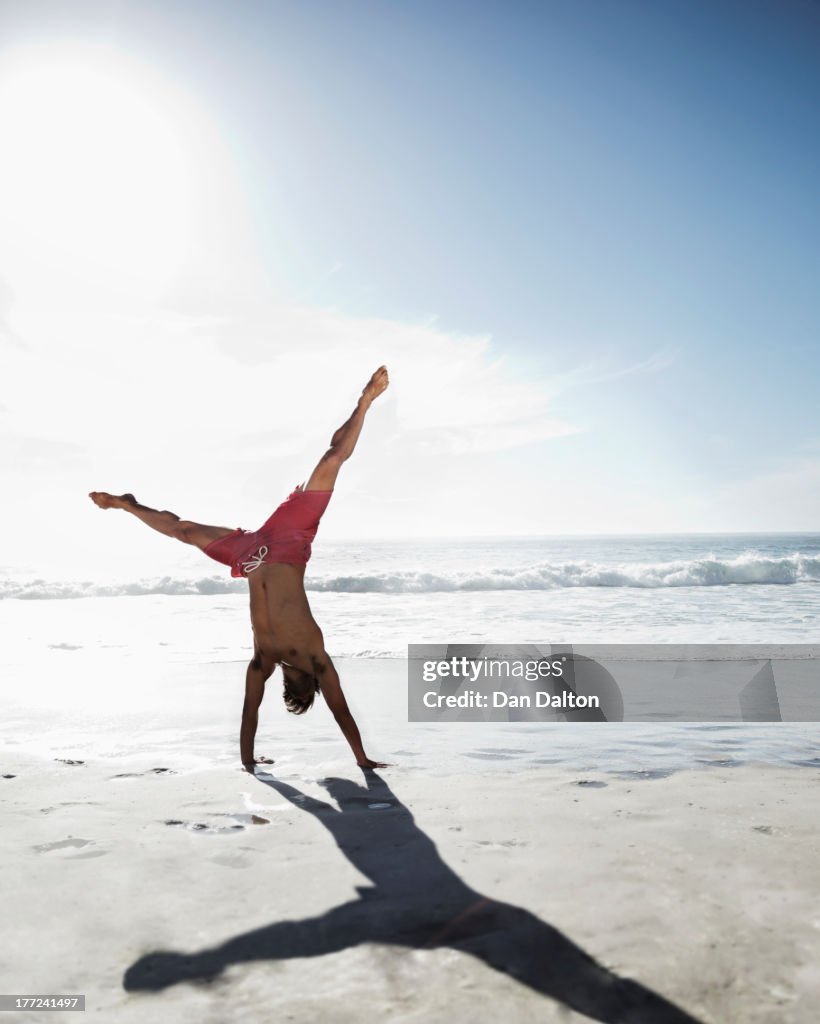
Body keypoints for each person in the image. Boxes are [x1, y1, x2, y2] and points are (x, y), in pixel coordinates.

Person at [89, 366, 390, 773]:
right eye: (303, 696)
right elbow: (341, 712)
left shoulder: (264, 661)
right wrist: (362, 759)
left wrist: (248, 762)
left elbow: (250, 713)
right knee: (332, 460)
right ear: (311, 688)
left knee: (184, 531)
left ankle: (128, 504)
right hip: (288, 542)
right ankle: (365, 402)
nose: (299, 690)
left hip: (249, 555)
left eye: (296, 694)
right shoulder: (317, 660)